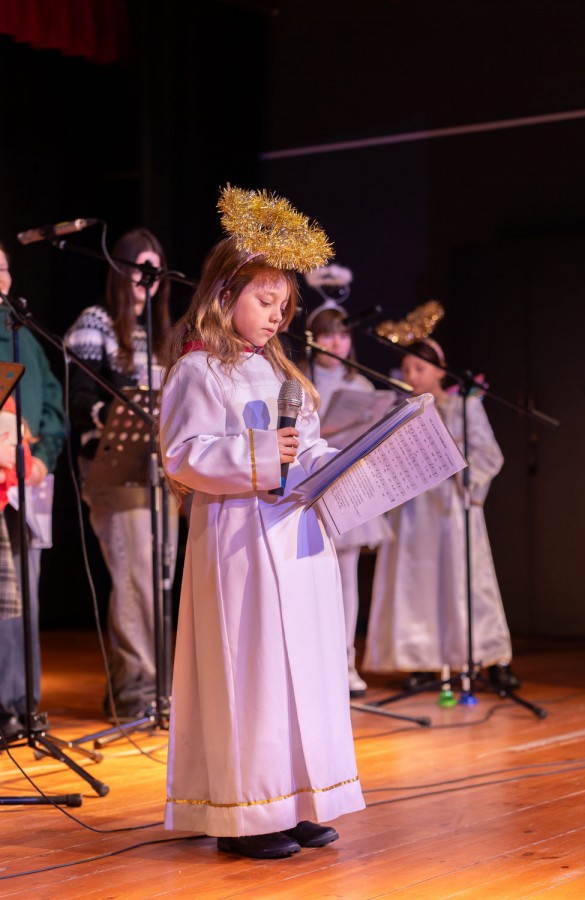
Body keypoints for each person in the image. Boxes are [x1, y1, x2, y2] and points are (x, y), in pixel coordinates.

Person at [159, 186, 365, 860]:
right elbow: (182, 455)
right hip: (239, 543)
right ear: (225, 296)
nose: (277, 316)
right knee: (252, 676)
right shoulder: (199, 370)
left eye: (284, 306)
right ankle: (246, 812)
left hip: (296, 540)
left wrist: (342, 463)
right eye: (265, 301)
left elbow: (306, 446)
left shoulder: (282, 374)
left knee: (301, 672)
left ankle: (297, 801)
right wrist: (259, 454)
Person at [64, 228, 179, 722]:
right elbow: (79, 398)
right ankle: (133, 689)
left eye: (154, 269)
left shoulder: (162, 332)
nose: (146, 277)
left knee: (161, 576)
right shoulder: (96, 322)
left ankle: (163, 688)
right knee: (134, 577)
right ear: (119, 270)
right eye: (138, 267)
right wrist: (112, 413)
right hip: (114, 470)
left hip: (158, 472)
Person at [363, 338, 520, 692]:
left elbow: (489, 455)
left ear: (440, 369)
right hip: (414, 506)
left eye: (420, 368)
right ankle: (421, 661)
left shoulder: (462, 406)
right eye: (406, 369)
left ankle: (488, 657)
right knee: (416, 580)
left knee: (467, 580)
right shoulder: (400, 411)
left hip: (452, 504)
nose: (412, 376)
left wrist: (467, 481)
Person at [301, 278, 392, 697]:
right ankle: (312, 665)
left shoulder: (362, 385)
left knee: (348, 579)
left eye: (341, 334)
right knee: (309, 578)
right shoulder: (300, 381)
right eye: (326, 334)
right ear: (311, 339)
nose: (335, 342)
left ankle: (346, 662)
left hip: (351, 486)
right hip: (313, 486)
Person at [0, 242, 66, 740]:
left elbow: (52, 409)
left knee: (26, 594)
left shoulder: (25, 335)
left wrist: (43, 459)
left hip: (26, 485)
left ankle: (25, 704)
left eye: (3, 268)